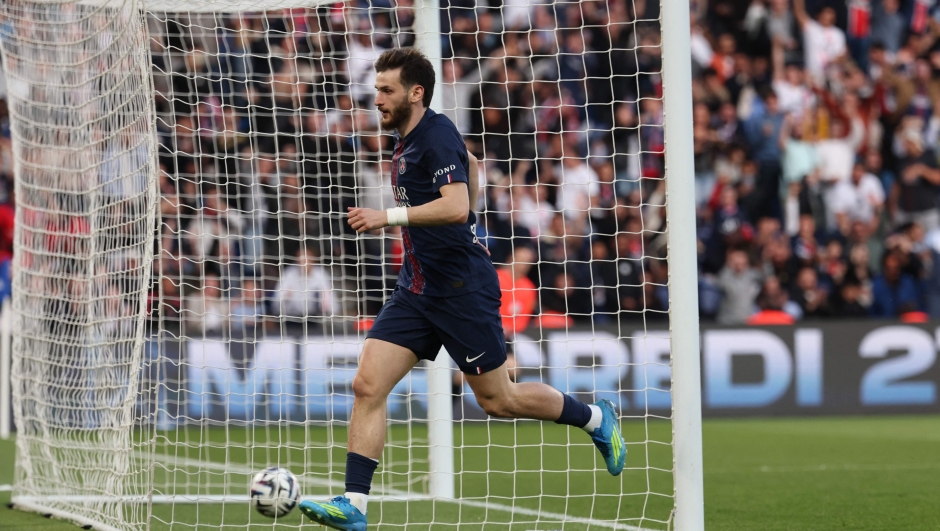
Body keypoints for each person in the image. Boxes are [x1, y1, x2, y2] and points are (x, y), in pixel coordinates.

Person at [298, 48, 626, 531]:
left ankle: (596, 418)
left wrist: (388, 217)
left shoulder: (434, 136)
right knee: (367, 385)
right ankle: (354, 506)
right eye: (377, 89)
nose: (378, 99)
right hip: (416, 288)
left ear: (416, 93)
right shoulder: (410, 138)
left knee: (498, 401)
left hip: (460, 289)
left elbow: (455, 206)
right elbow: (470, 164)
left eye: (387, 90)